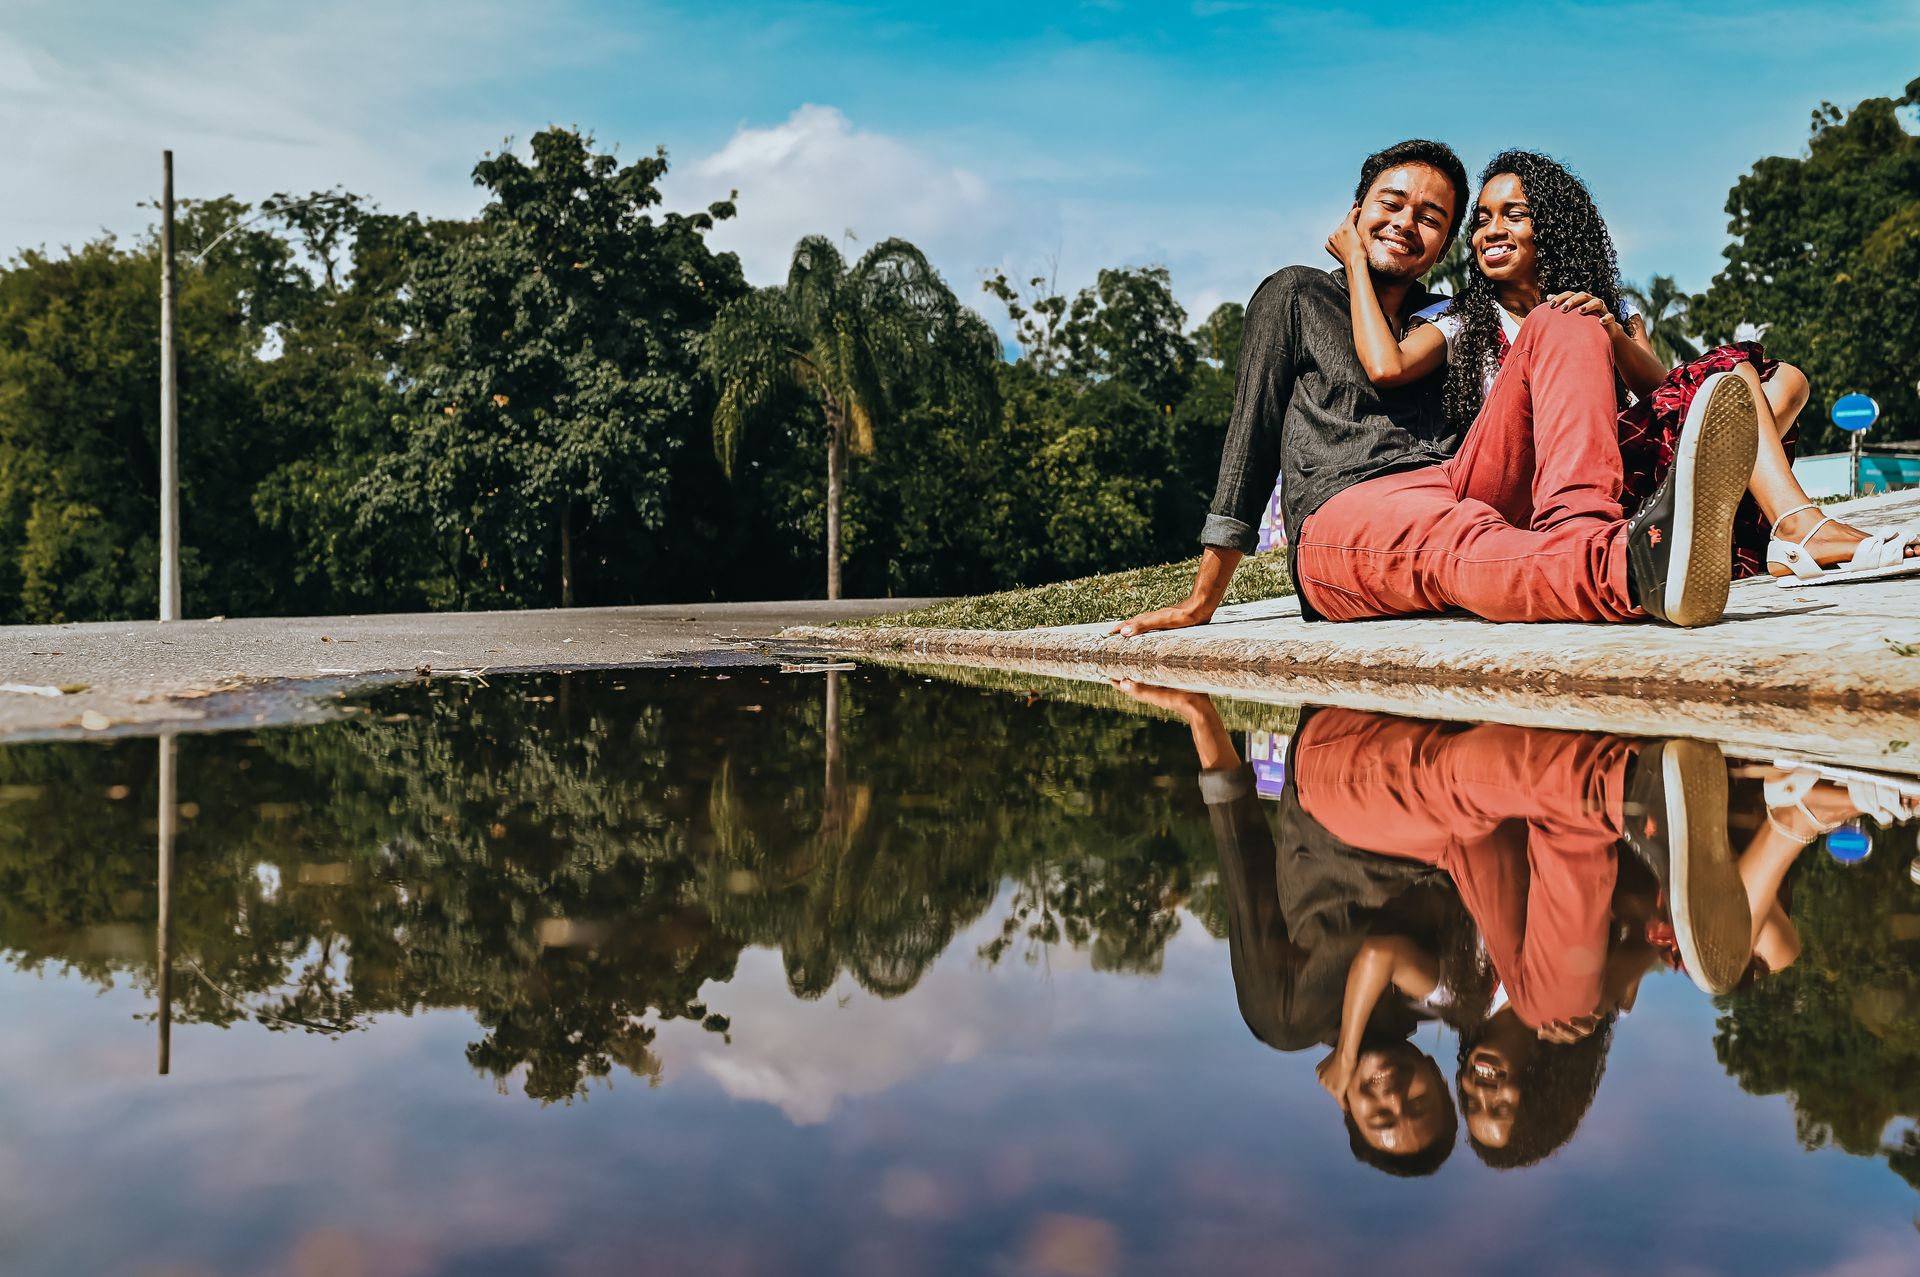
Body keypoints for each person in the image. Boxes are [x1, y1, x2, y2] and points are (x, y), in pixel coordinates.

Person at [1116, 138, 1761, 638]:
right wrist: (1203, 598)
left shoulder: (1449, 319)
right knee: (1451, 540)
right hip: (1348, 511)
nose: (1405, 223)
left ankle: (1588, 533)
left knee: (1564, 317)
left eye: (1430, 217)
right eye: (1390, 204)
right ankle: (1629, 569)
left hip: (1457, 480)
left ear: (1445, 243)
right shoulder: (1297, 295)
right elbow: (1249, 439)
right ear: (1355, 213)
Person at [1328, 149, 1920, 584]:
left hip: (1623, 466)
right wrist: (1356, 259)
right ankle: (1791, 527)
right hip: (1539, 490)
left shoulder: (1603, 312)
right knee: (1734, 375)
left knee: (1783, 379)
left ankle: (1777, 527)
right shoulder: (1462, 320)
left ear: (1552, 229)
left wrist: (1610, 333)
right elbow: (1385, 366)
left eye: (1513, 214)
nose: (1491, 230)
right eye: (1482, 218)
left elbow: (1676, 393)